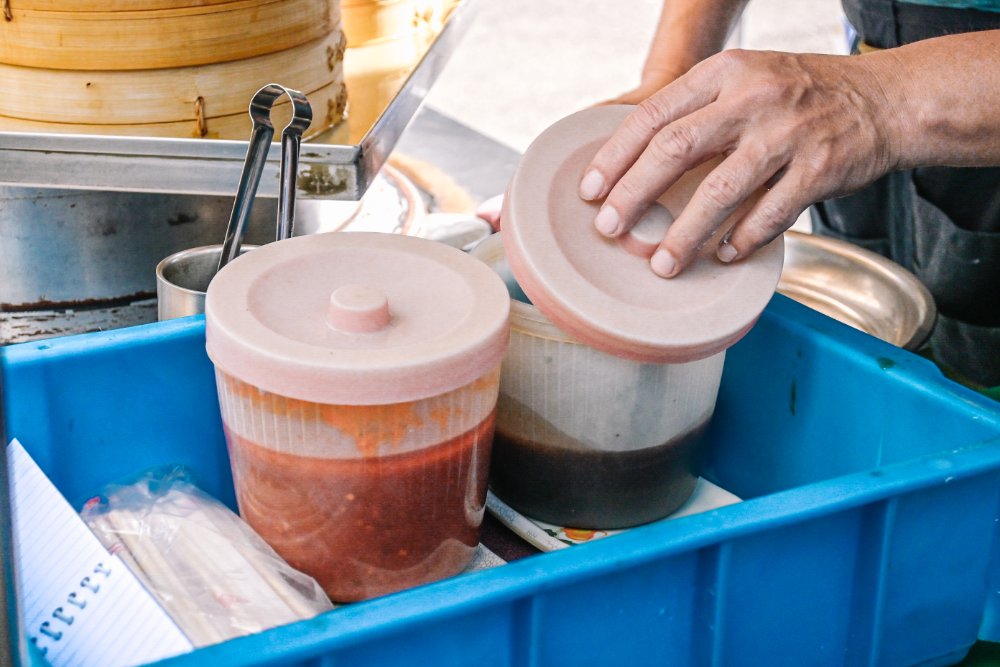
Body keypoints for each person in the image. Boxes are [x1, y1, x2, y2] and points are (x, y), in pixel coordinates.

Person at [579, 0, 1000, 389]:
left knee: (975, 383)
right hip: (867, 81)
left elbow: (879, 97)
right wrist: (673, 75)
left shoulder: (871, 102)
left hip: (971, 100)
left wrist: (876, 100)